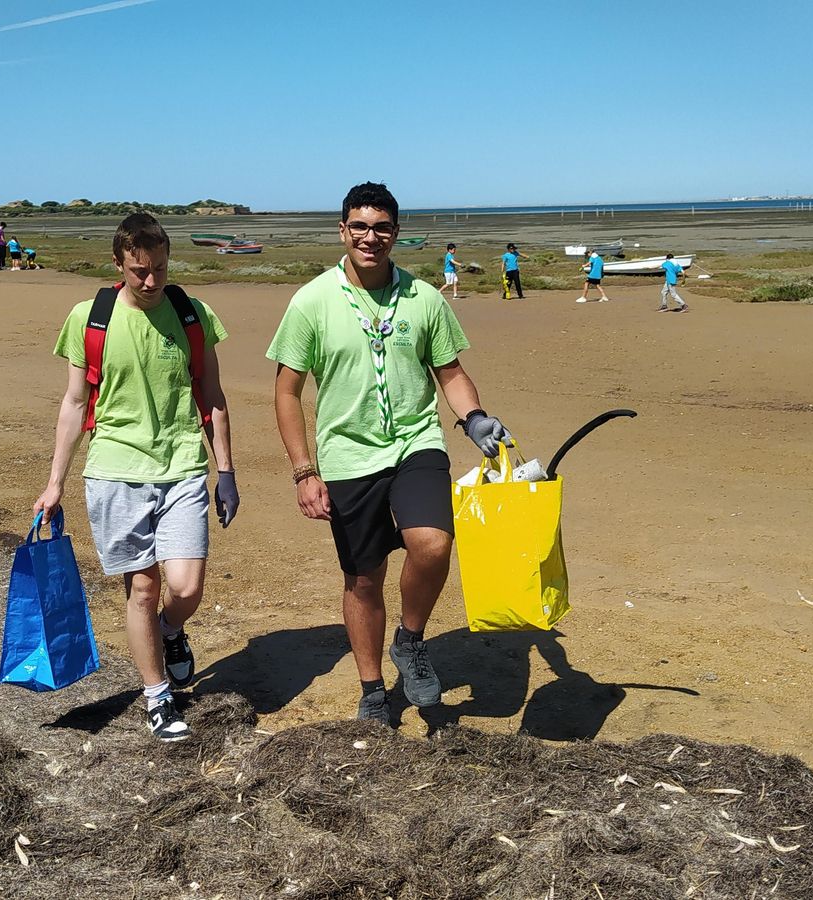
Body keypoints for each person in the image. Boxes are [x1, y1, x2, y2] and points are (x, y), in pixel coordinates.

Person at [268, 182, 513, 724]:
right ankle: (373, 688)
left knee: (433, 543)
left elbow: (450, 373)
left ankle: (411, 639)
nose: (369, 237)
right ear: (343, 230)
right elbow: (287, 391)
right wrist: (304, 471)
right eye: (359, 226)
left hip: (415, 441)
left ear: (396, 233)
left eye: (381, 228)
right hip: (347, 456)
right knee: (363, 578)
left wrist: (473, 418)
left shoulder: (424, 298)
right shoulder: (311, 300)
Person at [32, 212, 237, 743]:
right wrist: (55, 482)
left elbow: (211, 397)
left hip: (183, 466)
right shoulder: (89, 318)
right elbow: (75, 403)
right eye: (139, 271)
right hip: (114, 472)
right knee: (142, 589)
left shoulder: (193, 315)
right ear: (119, 263)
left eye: (160, 270)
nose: (150, 282)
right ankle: (157, 698)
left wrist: (227, 470)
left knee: (185, 587)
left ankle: (171, 632)